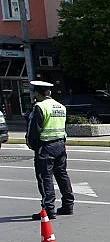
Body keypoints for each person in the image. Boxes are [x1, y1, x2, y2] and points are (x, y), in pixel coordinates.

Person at [27, 80, 73, 220]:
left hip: (45, 147)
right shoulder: (60, 107)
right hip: (60, 145)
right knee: (62, 175)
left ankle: (48, 209)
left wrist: (33, 145)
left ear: (37, 93)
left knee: (45, 177)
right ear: (49, 92)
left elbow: (33, 131)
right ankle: (68, 205)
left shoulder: (39, 107)